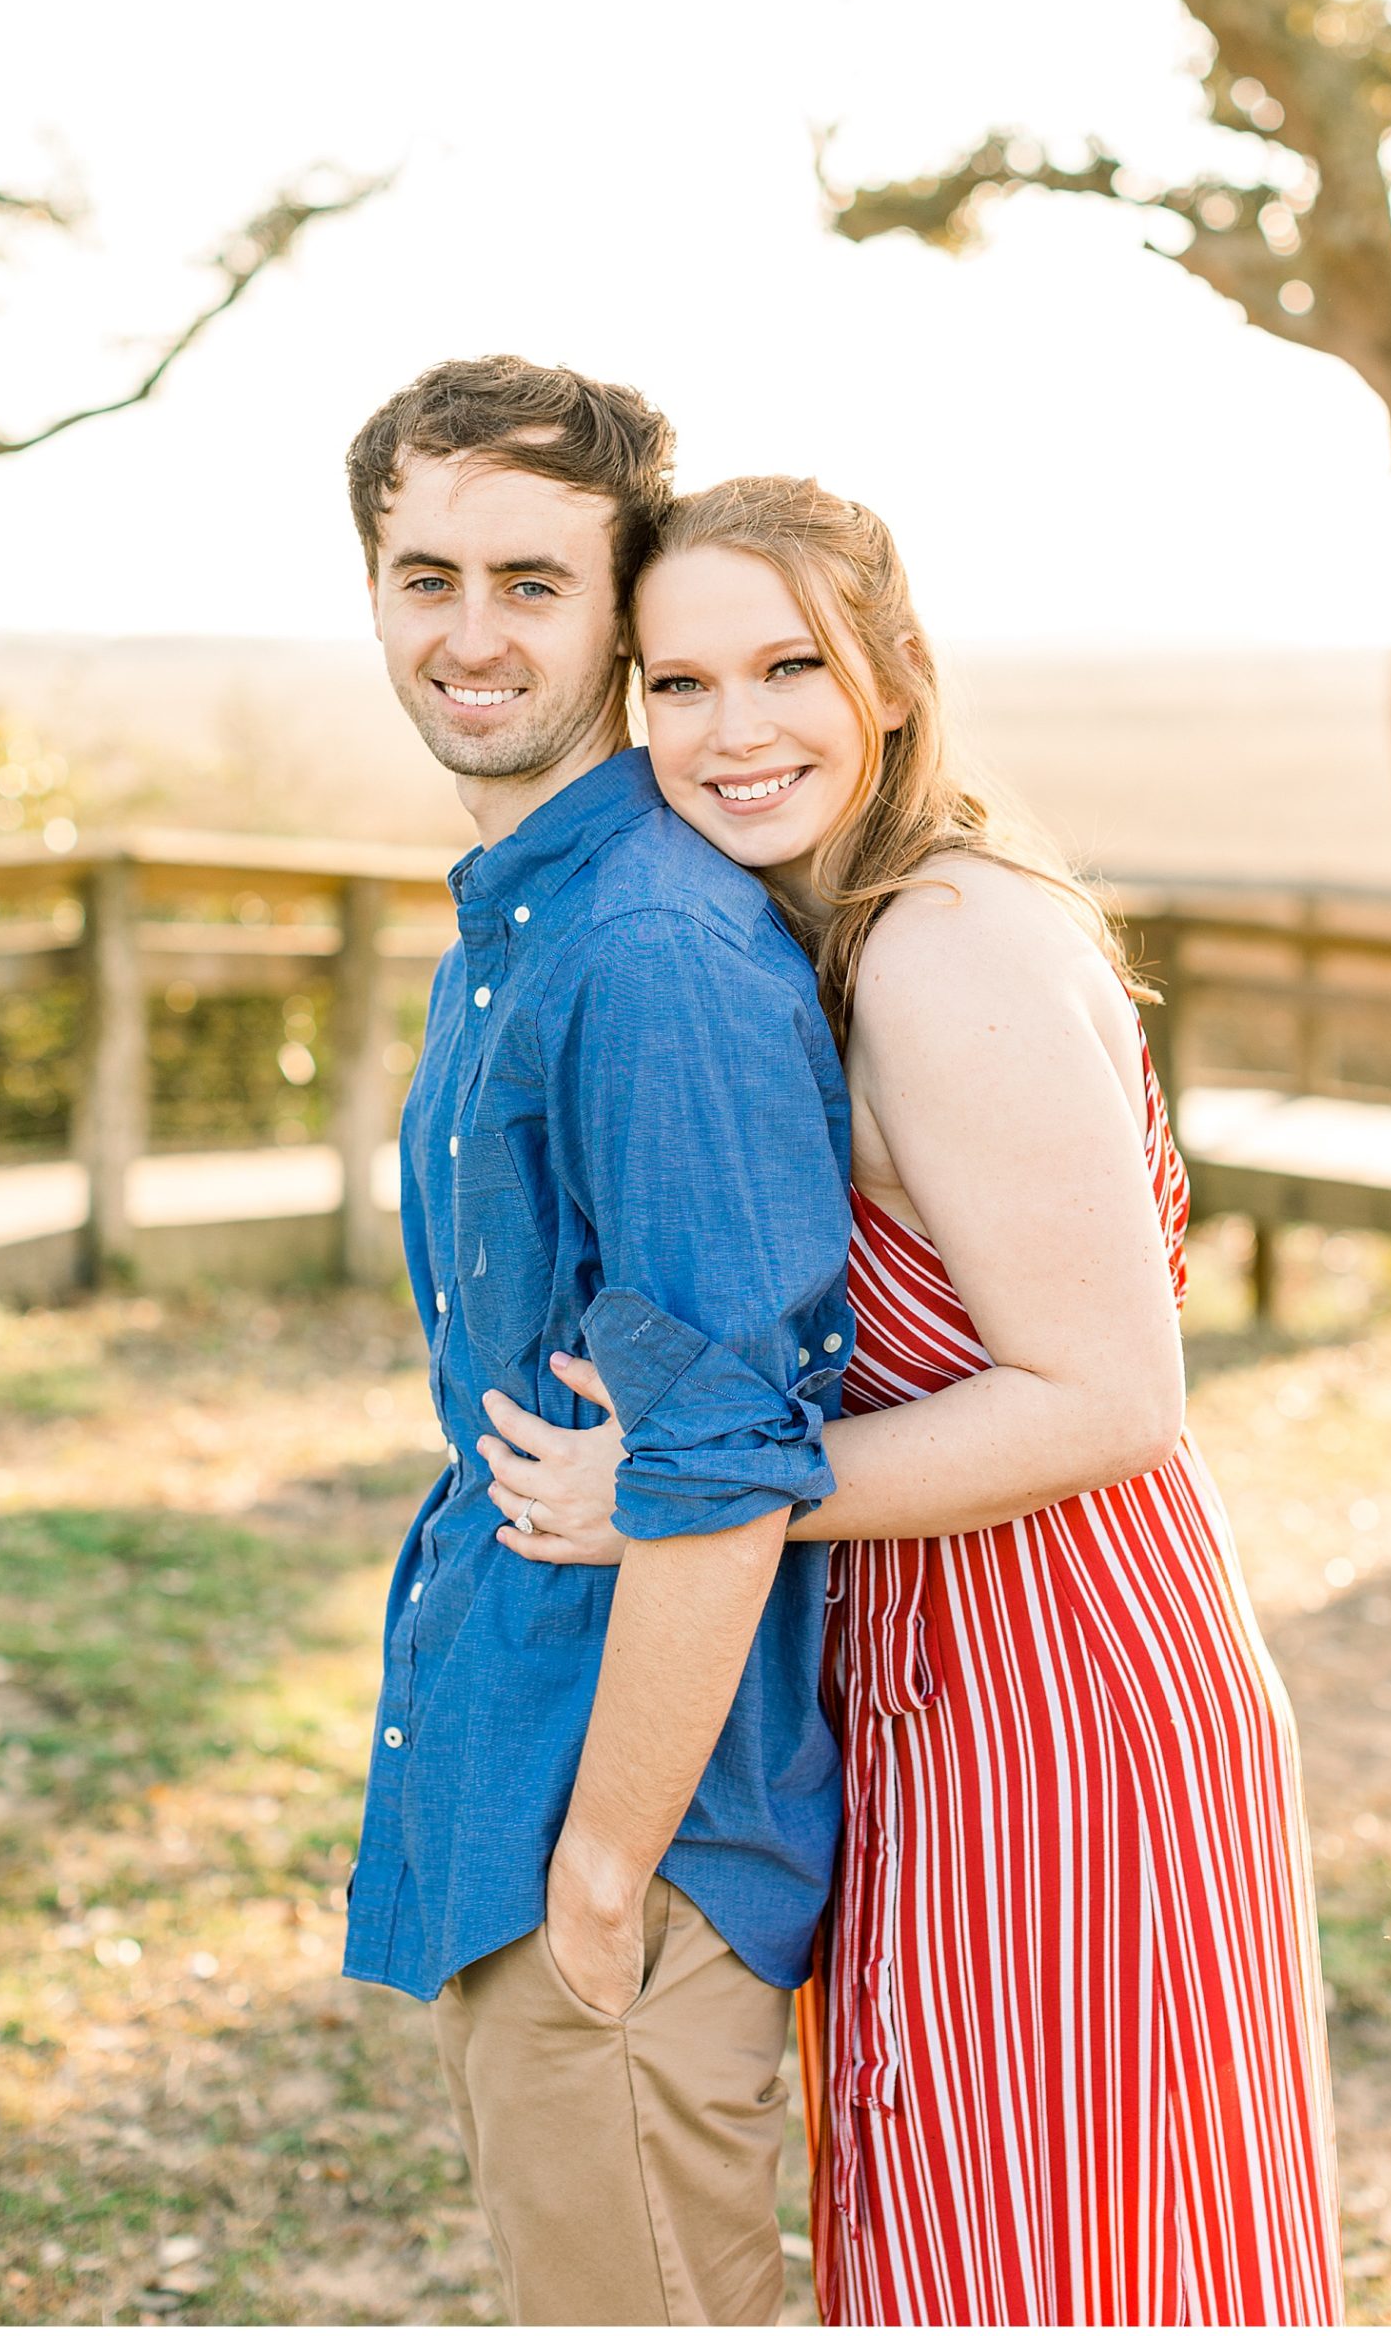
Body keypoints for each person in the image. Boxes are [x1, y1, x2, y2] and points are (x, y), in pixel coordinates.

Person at [479, 476, 1347, 2328]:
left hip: (1060, 1691)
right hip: (929, 1672)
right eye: (679, 684)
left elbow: (1106, 1399)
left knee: (1060, 2251)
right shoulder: (819, 924)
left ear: (890, 671)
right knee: (952, 2221)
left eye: (788, 666)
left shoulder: (945, 941)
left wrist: (693, 1492)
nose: (734, 729)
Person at [339, 369, 858, 2328]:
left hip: (625, 1829)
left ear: (620, 609)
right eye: (427, 575)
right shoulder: (527, 922)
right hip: (518, 1755)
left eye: (532, 583)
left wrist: (602, 1872)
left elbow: (723, 1457)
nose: (470, 634)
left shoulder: (646, 953)